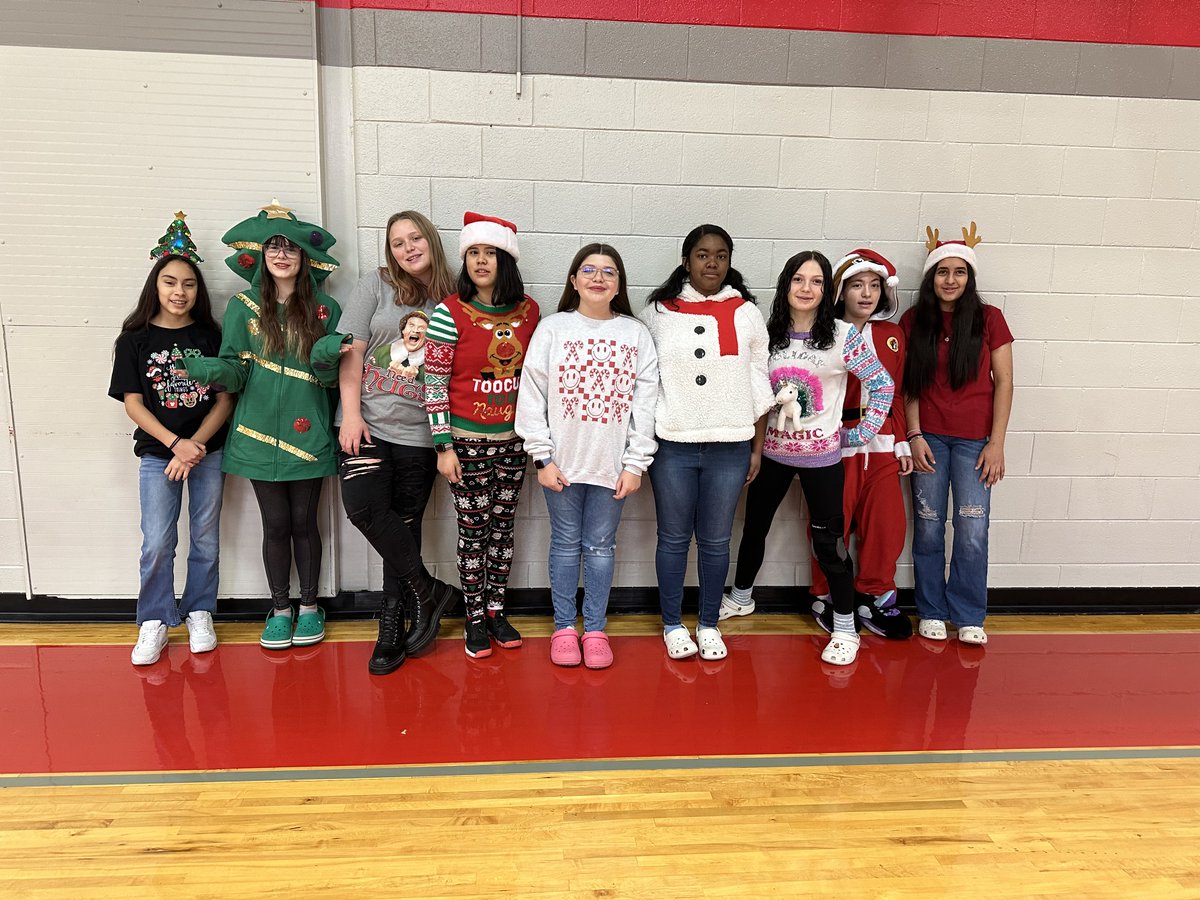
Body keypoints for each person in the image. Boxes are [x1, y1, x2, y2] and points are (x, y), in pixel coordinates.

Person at [183, 200, 348, 651]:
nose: (282, 254)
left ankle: (310, 606)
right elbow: (236, 372)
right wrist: (209, 371)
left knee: (304, 521)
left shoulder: (326, 309)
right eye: (273, 246)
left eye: (290, 248)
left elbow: (332, 380)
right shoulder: (240, 307)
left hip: (307, 432)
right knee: (274, 523)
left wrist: (332, 355)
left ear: (303, 258)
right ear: (261, 254)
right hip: (256, 433)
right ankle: (279, 608)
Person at [724, 251, 894, 666]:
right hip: (774, 457)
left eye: (817, 282)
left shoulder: (842, 335)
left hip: (823, 460)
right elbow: (760, 399)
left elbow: (882, 385)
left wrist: (857, 434)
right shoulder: (770, 334)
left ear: (826, 290)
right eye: (799, 279)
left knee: (829, 545)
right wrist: (755, 449)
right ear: (786, 285)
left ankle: (845, 627)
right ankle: (742, 597)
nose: (806, 288)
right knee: (754, 529)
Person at [515, 243, 659, 669]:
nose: (598, 278)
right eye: (589, 270)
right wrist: (542, 457)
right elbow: (532, 395)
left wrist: (636, 463)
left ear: (619, 285)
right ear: (574, 280)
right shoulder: (553, 328)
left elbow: (645, 406)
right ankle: (564, 628)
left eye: (608, 272)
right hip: (561, 465)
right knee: (564, 544)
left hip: (612, 468)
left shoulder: (635, 334)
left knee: (600, 547)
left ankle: (594, 628)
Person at [639, 224, 773, 662]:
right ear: (686, 260)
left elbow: (758, 380)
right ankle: (673, 624)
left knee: (716, 541)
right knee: (674, 538)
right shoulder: (657, 312)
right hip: (673, 444)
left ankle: (710, 623)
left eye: (720, 255)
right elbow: (645, 381)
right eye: (702, 254)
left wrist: (756, 447)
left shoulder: (746, 312)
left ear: (730, 261)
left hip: (730, 446)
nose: (711, 263)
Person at [337, 210, 463, 675]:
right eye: (397, 243)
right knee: (366, 510)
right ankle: (430, 593)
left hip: (421, 433)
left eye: (415, 239)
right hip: (366, 422)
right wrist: (350, 414)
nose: (407, 249)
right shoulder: (377, 284)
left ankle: (393, 622)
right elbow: (350, 351)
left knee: (404, 526)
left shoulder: (454, 296)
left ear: (431, 240)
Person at [110, 212, 233, 666]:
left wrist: (195, 445)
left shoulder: (211, 336)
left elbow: (223, 400)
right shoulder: (135, 339)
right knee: (158, 540)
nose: (179, 292)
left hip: (208, 452)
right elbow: (133, 403)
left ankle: (200, 610)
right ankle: (155, 619)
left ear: (198, 291)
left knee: (205, 536)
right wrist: (174, 443)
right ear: (155, 286)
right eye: (169, 282)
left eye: (188, 284)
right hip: (157, 454)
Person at [424, 212, 540, 659]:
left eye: (490, 252)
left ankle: (496, 610)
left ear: (505, 259)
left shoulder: (529, 312)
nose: (481, 261)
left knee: (504, 529)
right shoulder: (448, 312)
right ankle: (473, 615)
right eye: (473, 252)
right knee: (474, 531)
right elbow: (433, 383)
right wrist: (443, 446)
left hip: (514, 443)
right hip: (466, 444)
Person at [902, 223, 1013, 646]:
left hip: (975, 443)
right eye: (942, 272)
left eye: (959, 272)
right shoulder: (915, 320)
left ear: (970, 277)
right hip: (928, 437)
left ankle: (969, 613)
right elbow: (907, 382)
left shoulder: (990, 319)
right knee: (929, 526)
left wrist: (997, 443)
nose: (951, 280)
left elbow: (1004, 381)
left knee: (972, 527)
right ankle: (930, 609)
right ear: (931, 278)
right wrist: (913, 435)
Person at [799, 249, 914, 640]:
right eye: (856, 285)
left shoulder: (893, 336)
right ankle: (826, 595)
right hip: (837, 442)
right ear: (841, 291)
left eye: (874, 285)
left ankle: (875, 593)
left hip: (881, 444)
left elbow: (896, 393)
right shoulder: (823, 333)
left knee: (887, 525)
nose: (866, 293)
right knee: (831, 525)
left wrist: (901, 440)